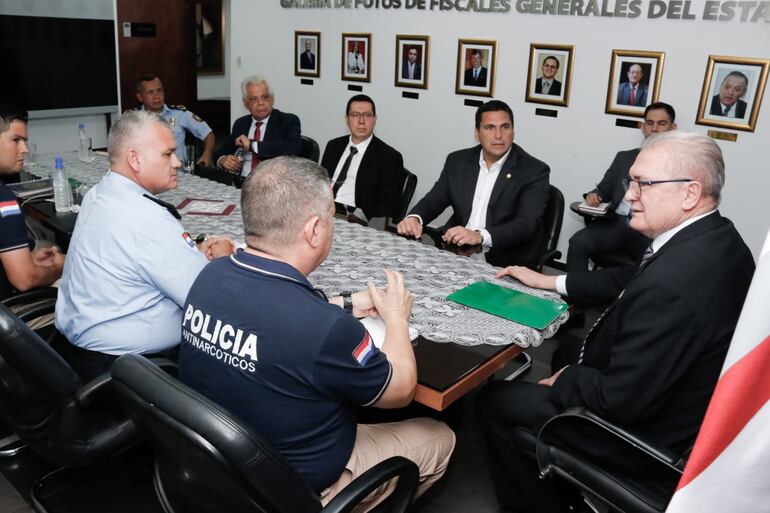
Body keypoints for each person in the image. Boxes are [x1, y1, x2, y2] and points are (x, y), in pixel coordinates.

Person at [476, 131, 755, 513]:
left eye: (643, 183)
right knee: (569, 353)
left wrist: (570, 378)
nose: (628, 195)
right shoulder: (718, 240)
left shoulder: (673, 284)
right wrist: (548, 280)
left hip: (644, 440)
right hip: (687, 406)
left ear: (690, 193)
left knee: (494, 401)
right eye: (631, 181)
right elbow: (630, 280)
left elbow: (618, 400)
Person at [178, 156, 455, 511]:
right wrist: (397, 318)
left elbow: (276, 308)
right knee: (441, 436)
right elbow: (401, 390)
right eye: (330, 217)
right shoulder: (325, 330)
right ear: (313, 230)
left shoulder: (210, 275)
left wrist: (345, 302)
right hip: (291, 487)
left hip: (219, 464)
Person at [55, 111, 233, 381]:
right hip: (129, 370)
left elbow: (134, 255)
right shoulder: (149, 219)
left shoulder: (98, 193)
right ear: (134, 158)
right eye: (167, 153)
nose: (177, 162)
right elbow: (206, 299)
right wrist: (221, 261)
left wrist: (191, 254)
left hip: (75, 350)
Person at [396, 100, 550, 269]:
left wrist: (480, 236)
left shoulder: (534, 170)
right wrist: (415, 218)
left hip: (505, 258)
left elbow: (525, 224)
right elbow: (436, 198)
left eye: (505, 127)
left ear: (513, 132)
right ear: (477, 133)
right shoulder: (458, 161)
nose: (498, 135)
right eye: (489, 128)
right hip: (457, 250)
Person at [566, 102, 678, 273]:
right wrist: (594, 196)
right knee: (578, 242)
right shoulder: (624, 158)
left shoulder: (679, 166)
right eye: (649, 123)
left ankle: (628, 299)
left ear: (672, 128)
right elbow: (602, 191)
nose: (654, 129)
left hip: (650, 230)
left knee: (655, 263)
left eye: (661, 123)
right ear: (643, 127)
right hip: (616, 224)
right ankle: (574, 294)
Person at [0, 103, 64, 301]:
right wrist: (59, 267)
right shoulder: (4, 201)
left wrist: (28, 260)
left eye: (25, 141)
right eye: (16, 140)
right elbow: (25, 280)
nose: (25, 149)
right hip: (10, 318)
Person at [320, 95, 404, 220]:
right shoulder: (334, 146)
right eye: (355, 115)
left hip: (355, 218)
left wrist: (358, 217)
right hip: (323, 210)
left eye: (367, 115)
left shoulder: (389, 157)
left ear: (375, 119)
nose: (361, 121)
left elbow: (388, 206)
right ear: (346, 119)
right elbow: (321, 183)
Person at [214, 76, 302, 183]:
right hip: (240, 183)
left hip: (273, 185)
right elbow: (221, 152)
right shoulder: (241, 123)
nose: (261, 103)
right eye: (254, 99)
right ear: (245, 103)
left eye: (265, 97)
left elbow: (293, 147)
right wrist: (222, 160)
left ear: (272, 99)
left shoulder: (287, 120)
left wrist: (252, 145)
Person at [134, 74, 215, 167]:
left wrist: (207, 155)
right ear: (140, 97)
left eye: (159, 90)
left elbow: (208, 134)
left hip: (179, 172)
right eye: (150, 92)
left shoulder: (179, 114)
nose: (156, 96)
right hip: (147, 173)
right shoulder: (132, 119)